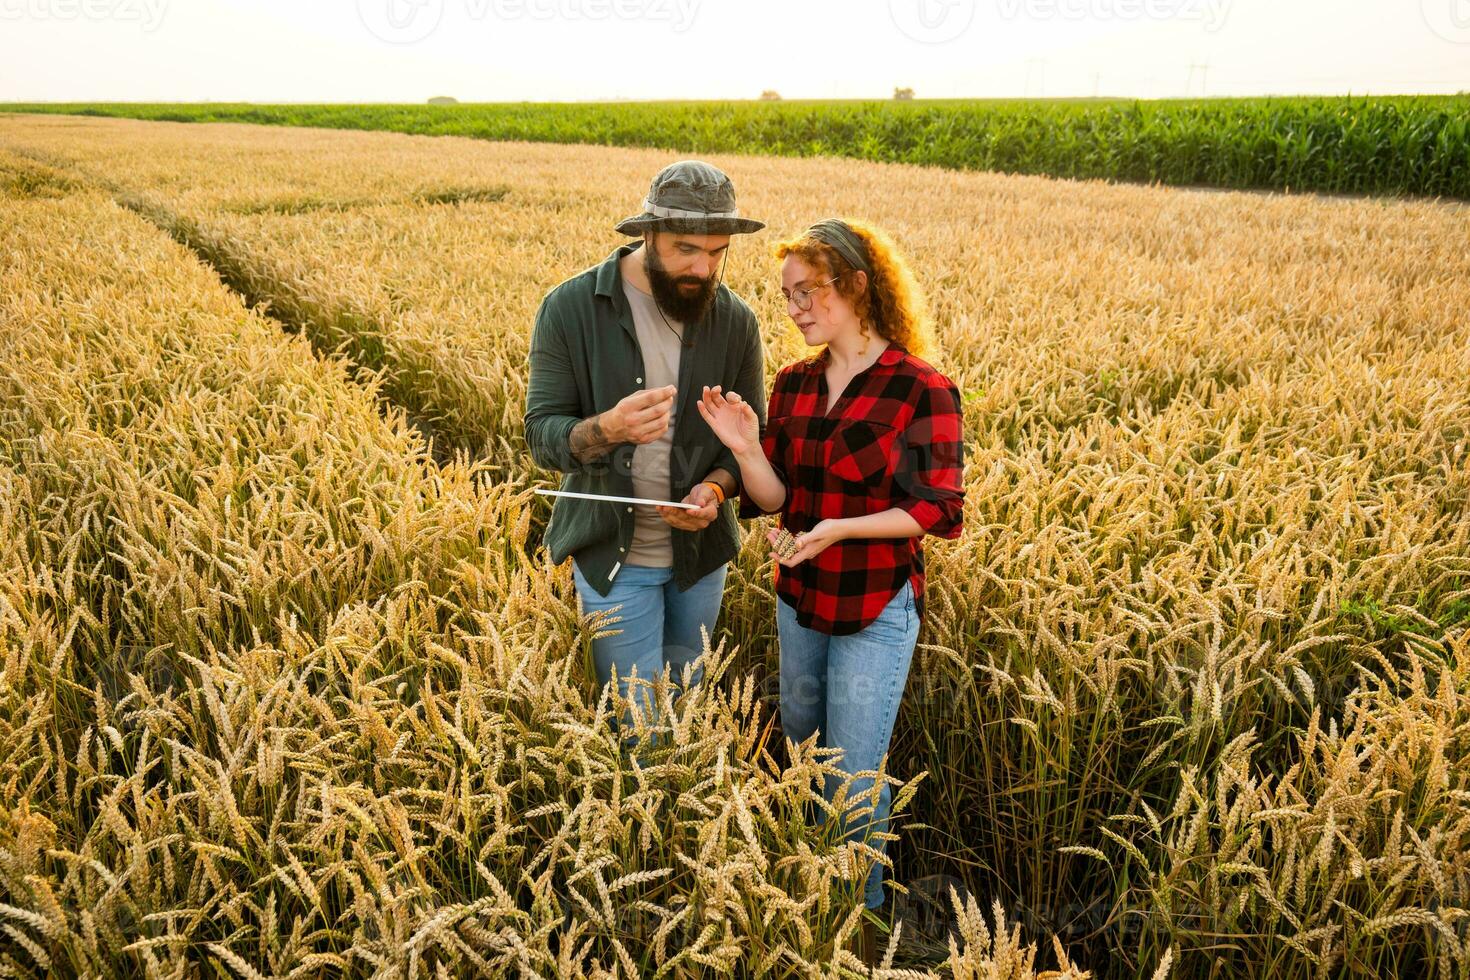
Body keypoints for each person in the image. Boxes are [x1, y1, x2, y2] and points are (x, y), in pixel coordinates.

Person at [697, 217, 965, 959]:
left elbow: (938, 509)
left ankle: (862, 926)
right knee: (806, 756)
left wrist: (840, 531)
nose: (795, 309)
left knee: (852, 774)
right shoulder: (795, 383)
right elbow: (778, 499)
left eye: (807, 291)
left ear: (856, 284)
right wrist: (746, 447)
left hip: (875, 604)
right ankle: (818, 903)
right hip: (799, 600)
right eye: (786, 296)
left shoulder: (922, 388)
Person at [524, 160, 767, 749]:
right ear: (648, 234)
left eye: (716, 251)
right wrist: (606, 428)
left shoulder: (735, 321)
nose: (702, 266)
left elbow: (748, 449)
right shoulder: (571, 309)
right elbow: (541, 436)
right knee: (640, 734)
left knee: (690, 718)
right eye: (686, 248)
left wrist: (713, 491)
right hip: (613, 561)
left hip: (700, 561)